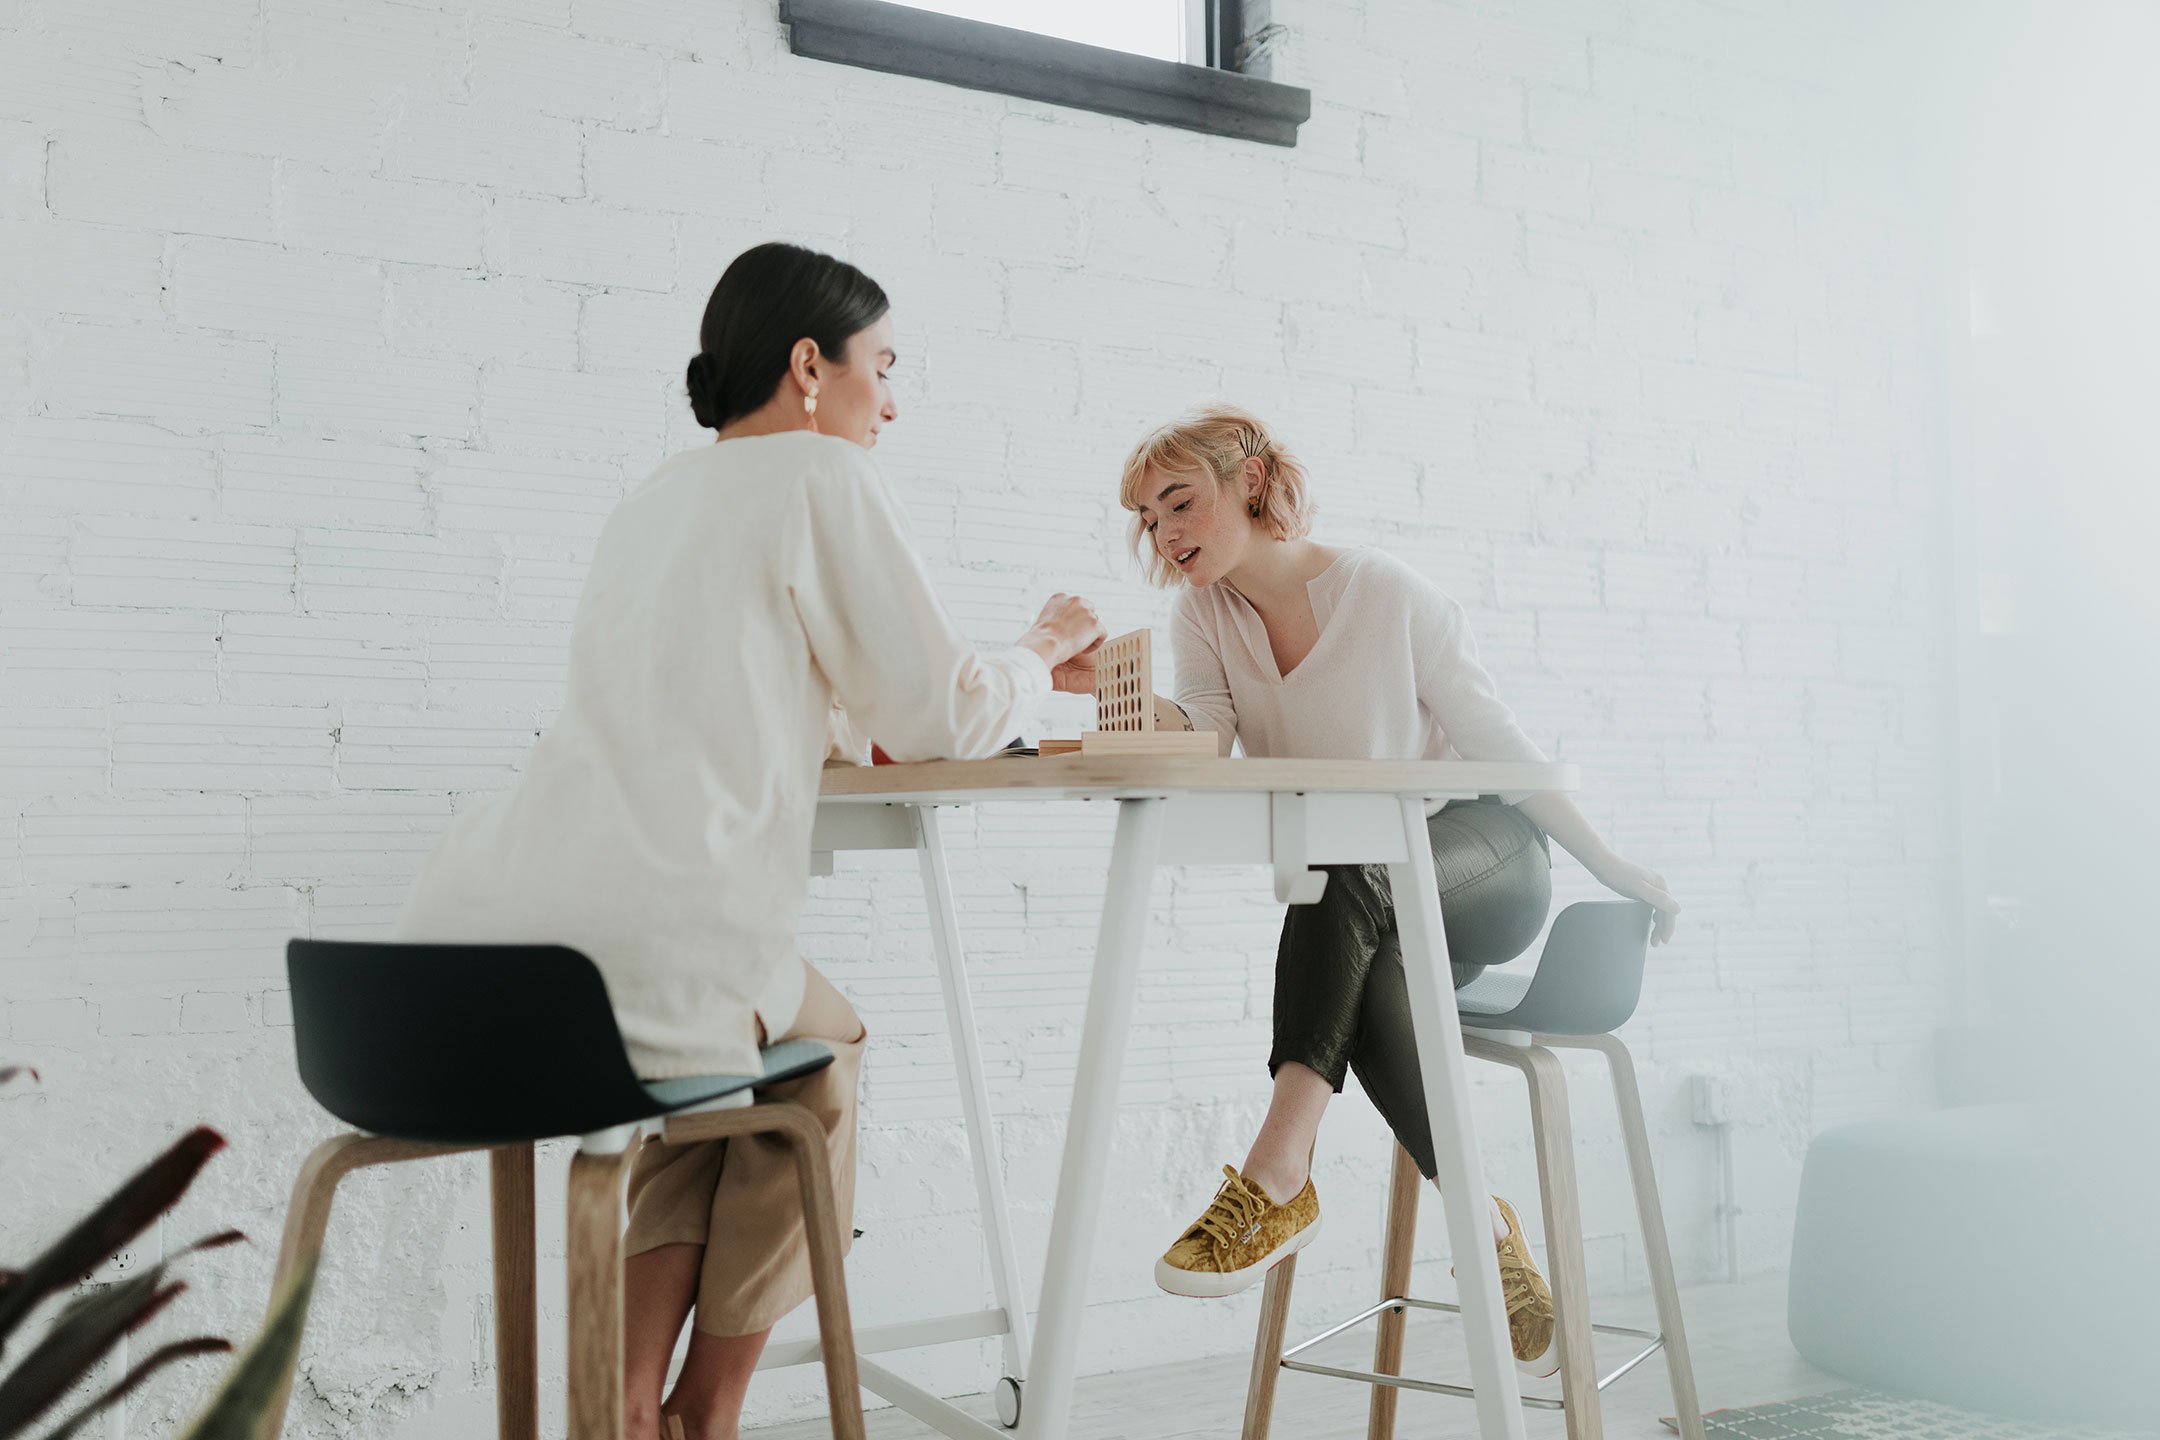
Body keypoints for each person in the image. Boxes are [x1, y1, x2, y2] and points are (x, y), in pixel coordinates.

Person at [395, 242, 1105, 1440]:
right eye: (884, 366)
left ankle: (623, 1402)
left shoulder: (651, 501)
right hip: (647, 938)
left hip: (476, 943)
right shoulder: (823, 480)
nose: (894, 398)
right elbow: (938, 713)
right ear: (808, 366)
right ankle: (707, 1410)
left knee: (710, 1076)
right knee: (821, 1055)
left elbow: (725, 691)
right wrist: (1040, 649)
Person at [1112, 405, 1681, 1376]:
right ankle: (1488, 1231)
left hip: (1482, 857)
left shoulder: (1383, 591)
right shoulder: (1204, 615)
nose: (1166, 534)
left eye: (1181, 502)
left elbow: (1500, 745)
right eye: (1149, 518)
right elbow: (1205, 732)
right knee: (1366, 978)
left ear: (1249, 482)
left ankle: (1276, 1172)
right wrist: (1116, 698)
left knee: (1350, 862)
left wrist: (1613, 864)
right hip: (1370, 899)